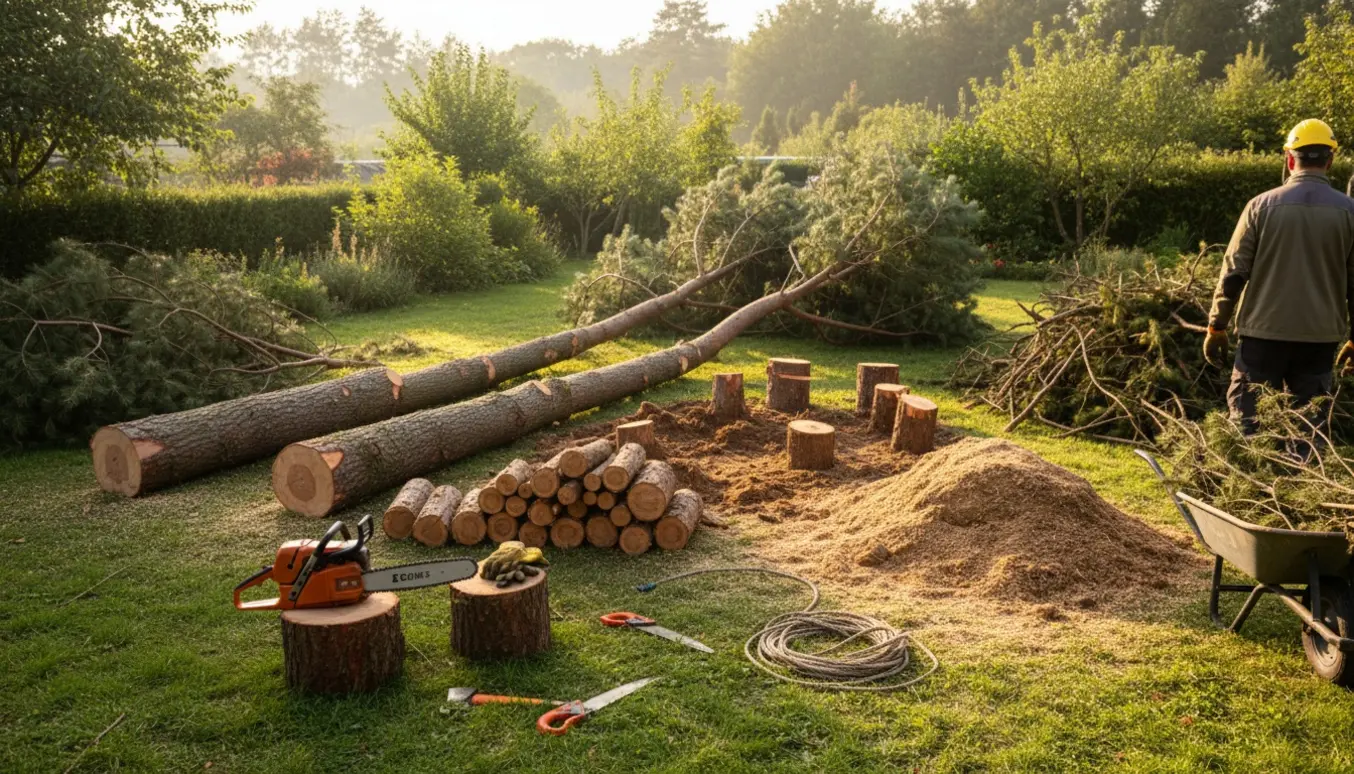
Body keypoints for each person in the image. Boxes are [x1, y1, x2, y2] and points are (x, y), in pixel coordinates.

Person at [1204, 119, 1354, 432]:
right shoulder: (1349, 212)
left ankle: (1247, 480)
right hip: (1319, 338)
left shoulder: (1260, 207)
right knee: (1307, 429)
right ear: (1330, 160)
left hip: (1262, 336)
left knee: (1247, 427)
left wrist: (1217, 325)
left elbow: (1233, 273)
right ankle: (1303, 479)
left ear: (1289, 159)